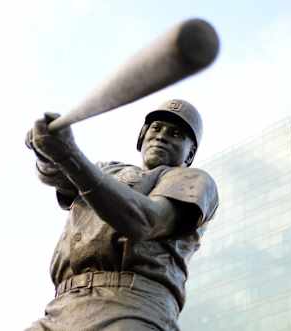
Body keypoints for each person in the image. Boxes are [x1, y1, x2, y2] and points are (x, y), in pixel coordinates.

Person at [25, 99, 218, 331]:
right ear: (142, 137)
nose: (162, 136)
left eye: (176, 134)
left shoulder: (192, 179)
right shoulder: (107, 169)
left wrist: (69, 155)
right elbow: (55, 175)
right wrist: (45, 149)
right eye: (156, 128)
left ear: (190, 154)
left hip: (132, 305)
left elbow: (146, 220)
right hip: (61, 307)